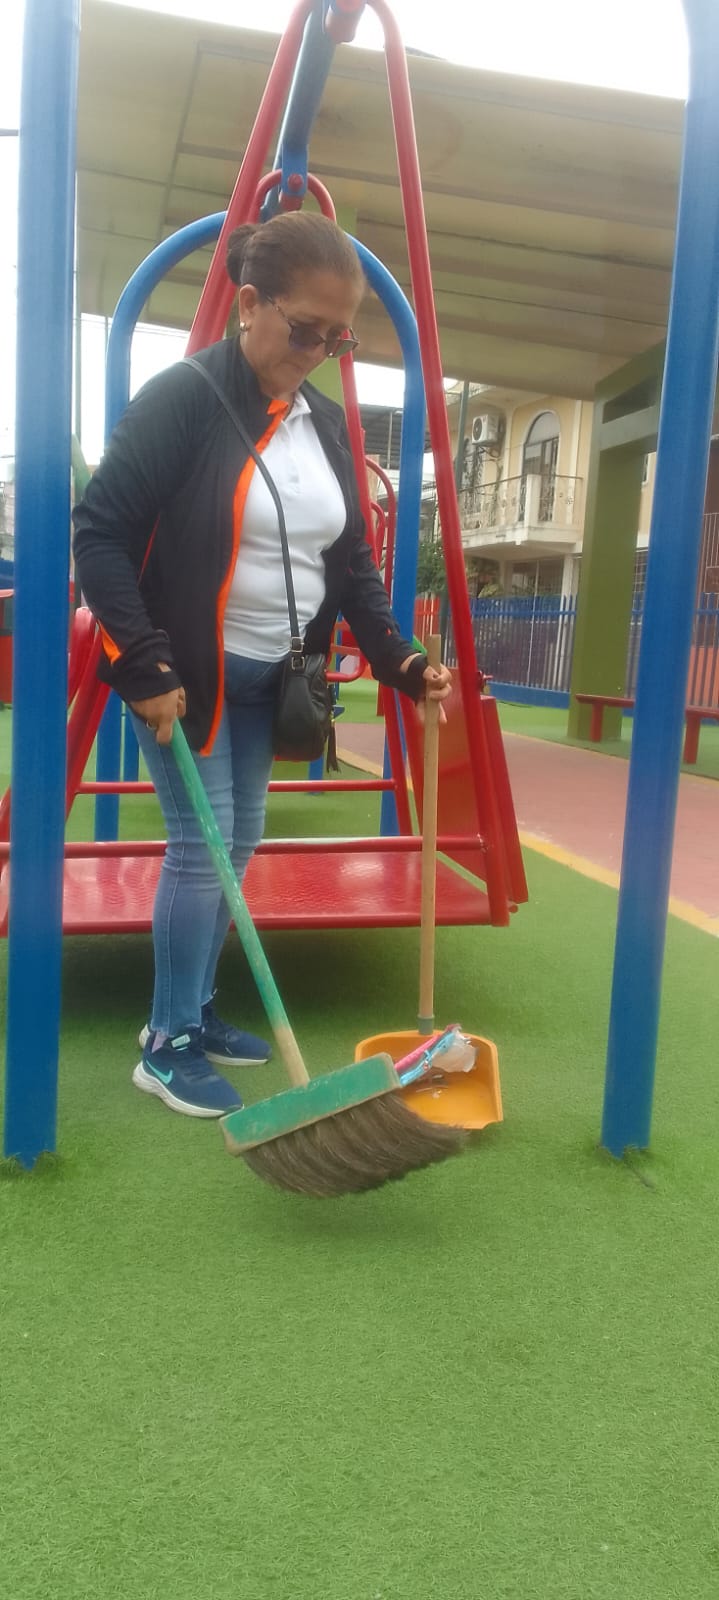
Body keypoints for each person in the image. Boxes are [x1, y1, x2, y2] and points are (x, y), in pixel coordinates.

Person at [73, 211, 452, 1120]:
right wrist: (145, 664)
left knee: (237, 844)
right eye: (305, 328)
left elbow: (349, 565)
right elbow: (101, 534)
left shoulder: (325, 423)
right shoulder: (184, 398)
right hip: (186, 677)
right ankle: (164, 1044)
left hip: (274, 677)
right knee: (200, 850)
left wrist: (402, 659)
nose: (317, 351)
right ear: (249, 304)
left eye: (337, 338)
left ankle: (195, 1009)